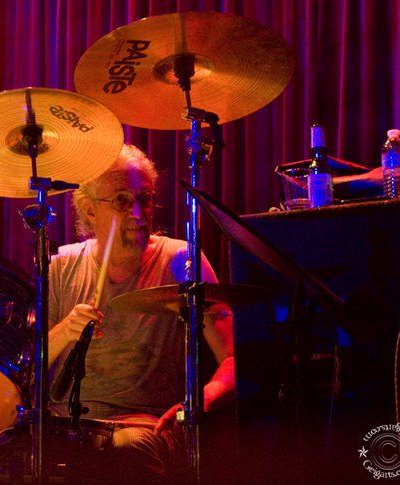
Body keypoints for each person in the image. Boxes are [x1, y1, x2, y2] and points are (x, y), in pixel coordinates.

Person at [48, 144, 235, 483]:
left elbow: (235, 358)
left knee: (127, 448)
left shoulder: (181, 260)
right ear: (90, 211)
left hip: (146, 425)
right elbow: (27, 366)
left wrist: (199, 401)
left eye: (144, 199)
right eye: (122, 200)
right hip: (66, 422)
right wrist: (65, 330)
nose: (138, 212)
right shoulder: (62, 266)